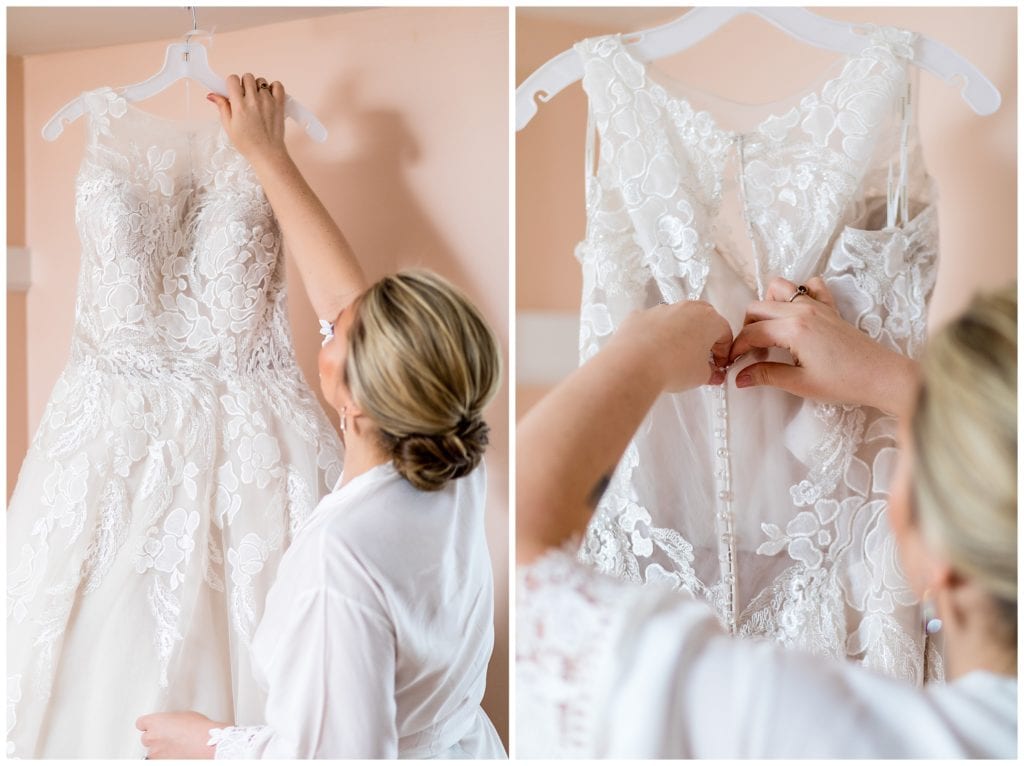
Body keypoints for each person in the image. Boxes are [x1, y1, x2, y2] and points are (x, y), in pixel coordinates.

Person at [135, 74, 506, 759]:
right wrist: (268, 153)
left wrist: (215, 743)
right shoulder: (455, 451)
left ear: (359, 400)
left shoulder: (343, 558)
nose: (326, 329)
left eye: (337, 336)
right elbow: (348, 299)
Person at [516, 276, 1016, 758]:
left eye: (909, 452)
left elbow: (525, 563)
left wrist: (643, 351)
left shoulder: (808, 729)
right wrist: (896, 381)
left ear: (940, 550)